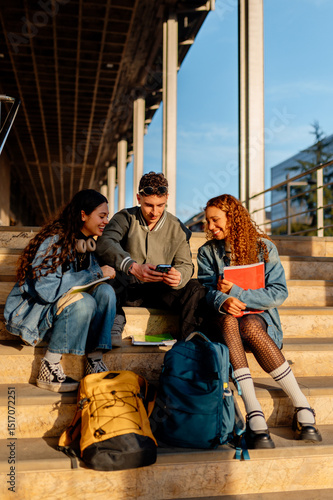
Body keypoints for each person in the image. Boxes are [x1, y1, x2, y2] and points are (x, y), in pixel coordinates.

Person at [197, 194, 322, 449]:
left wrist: (237, 293)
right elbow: (203, 291)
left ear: (232, 218)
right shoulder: (207, 252)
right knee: (230, 318)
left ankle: (301, 404)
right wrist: (223, 300)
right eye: (207, 222)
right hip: (224, 322)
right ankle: (255, 412)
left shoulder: (264, 247)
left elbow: (279, 292)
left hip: (259, 323)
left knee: (251, 325)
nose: (210, 227)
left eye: (215, 220)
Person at [4, 189, 117, 393]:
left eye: (107, 216)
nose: (106, 221)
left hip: (66, 319)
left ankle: (94, 361)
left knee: (106, 293)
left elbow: (81, 285)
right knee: (85, 302)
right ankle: (49, 367)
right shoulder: (55, 241)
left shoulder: (87, 247)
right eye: (102, 216)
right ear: (83, 215)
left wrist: (99, 276)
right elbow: (46, 290)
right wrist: (95, 273)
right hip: (36, 318)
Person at [95, 171, 206, 339]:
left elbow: (185, 265)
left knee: (196, 289)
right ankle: (114, 321)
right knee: (110, 275)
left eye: (160, 205)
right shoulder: (125, 217)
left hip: (160, 291)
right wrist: (132, 266)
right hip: (126, 287)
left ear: (167, 198)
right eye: (149, 205)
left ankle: (188, 344)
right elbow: (105, 242)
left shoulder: (178, 228)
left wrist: (179, 276)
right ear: (139, 199)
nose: (154, 212)